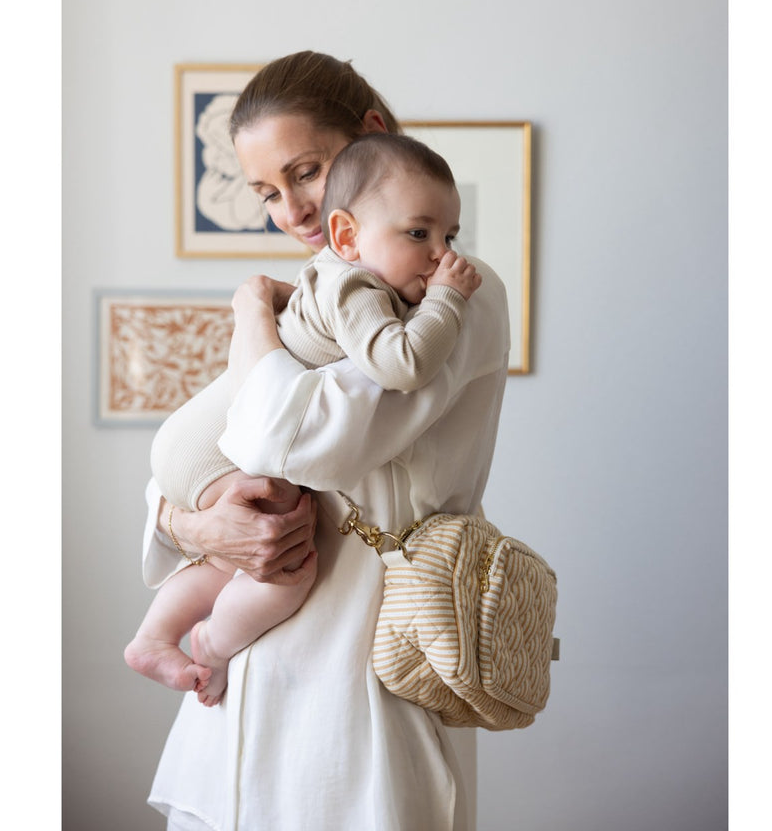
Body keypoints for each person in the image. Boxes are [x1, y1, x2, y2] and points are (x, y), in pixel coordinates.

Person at [140, 51, 510, 831]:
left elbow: (288, 440)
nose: (293, 211)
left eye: (306, 172)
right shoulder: (327, 295)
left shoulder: (449, 296)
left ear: (370, 133)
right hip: (230, 693)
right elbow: (198, 453)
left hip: (359, 693)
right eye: (267, 193)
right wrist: (189, 522)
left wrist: (250, 312)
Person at [125, 132, 483, 707]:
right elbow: (405, 363)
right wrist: (445, 300)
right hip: (210, 450)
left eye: (449, 236)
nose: (443, 255)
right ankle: (212, 644)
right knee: (287, 566)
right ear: (348, 235)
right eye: (420, 235)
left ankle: (154, 637)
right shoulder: (356, 284)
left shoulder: (354, 278)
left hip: (194, 442)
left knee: (236, 555)